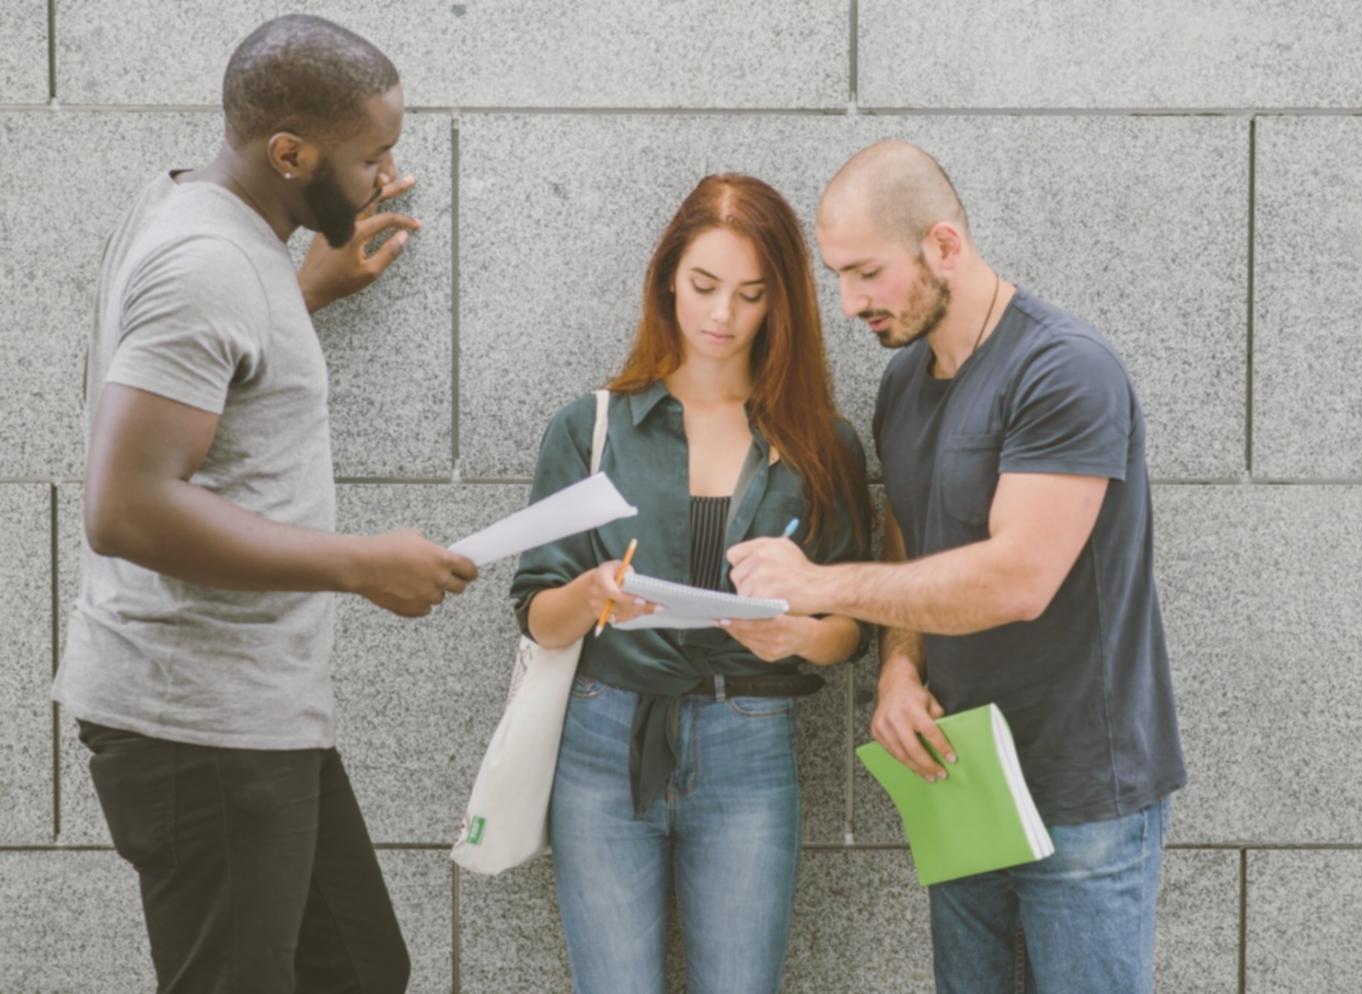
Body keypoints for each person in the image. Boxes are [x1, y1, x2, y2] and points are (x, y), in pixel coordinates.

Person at [51, 15, 477, 994]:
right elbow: (126, 507)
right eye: (370, 156)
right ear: (289, 154)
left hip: (251, 716)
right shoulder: (207, 265)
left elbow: (212, 385)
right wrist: (361, 566)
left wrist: (299, 295)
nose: (387, 174)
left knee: (358, 970)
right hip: (197, 722)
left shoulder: (214, 228)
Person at [728, 140, 1187, 994]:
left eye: (866, 273)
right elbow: (911, 540)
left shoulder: (1062, 369)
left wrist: (818, 585)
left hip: (1084, 794)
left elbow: (1017, 579)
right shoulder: (903, 382)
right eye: (836, 276)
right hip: (962, 776)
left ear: (942, 244)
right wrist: (898, 672)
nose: (848, 302)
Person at [509, 173, 873, 994]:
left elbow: (852, 628)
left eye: (750, 294)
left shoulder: (822, 445)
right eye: (704, 285)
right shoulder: (590, 427)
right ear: (667, 277)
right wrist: (592, 593)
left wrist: (800, 635)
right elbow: (535, 611)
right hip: (604, 736)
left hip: (751, 739)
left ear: (780, 303)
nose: (721, 315)